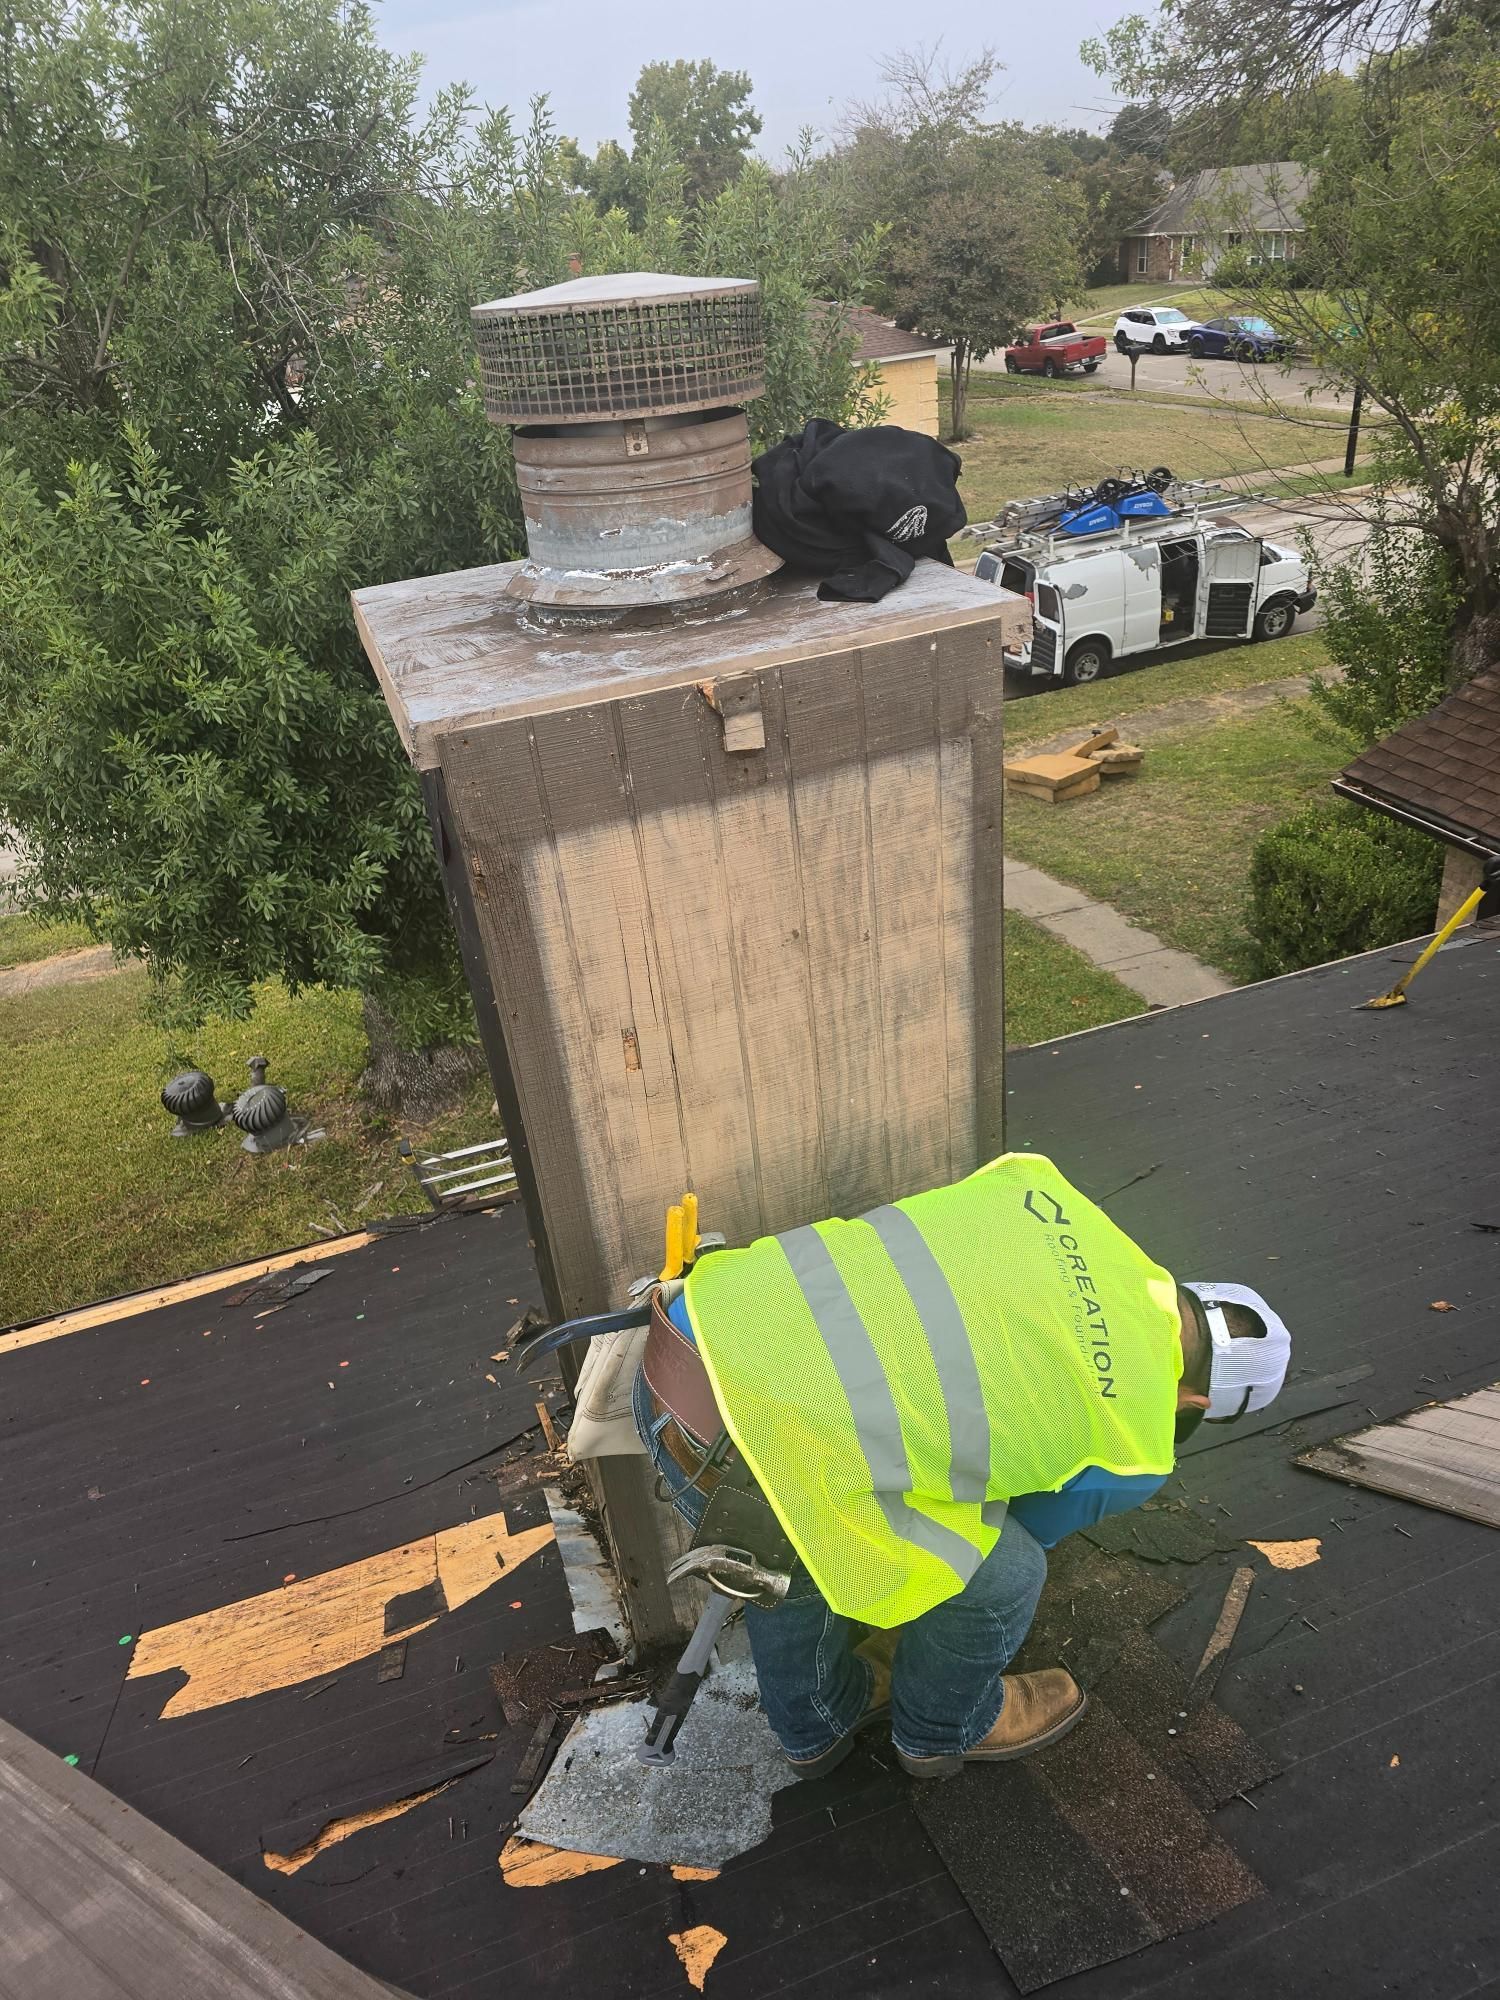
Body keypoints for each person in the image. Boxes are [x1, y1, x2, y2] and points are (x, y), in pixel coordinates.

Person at [633, 1151, 1291, 1781]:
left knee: (796, 1550)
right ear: (1197, 1401)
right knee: (1004, 1571)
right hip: (757, 1467)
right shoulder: (1140, 1442)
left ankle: (816, 1719)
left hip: (680, 1351)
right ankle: (936, 1731)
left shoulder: (1044, 1189)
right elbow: (1011, 1518)